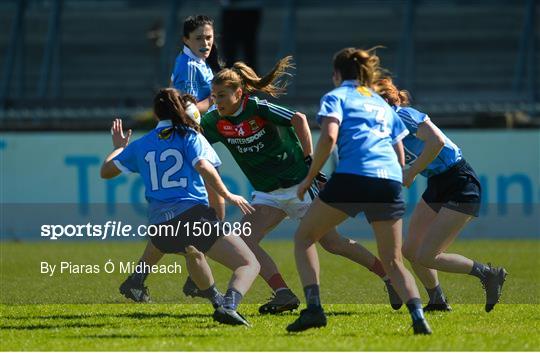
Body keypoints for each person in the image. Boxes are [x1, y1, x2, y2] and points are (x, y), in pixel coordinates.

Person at [198, 55, 402, 315]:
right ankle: (283, 293)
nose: (217, 101)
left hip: (299, 185)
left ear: (239, 93)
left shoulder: (259, 108)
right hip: (267, 193)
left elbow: (299, 119)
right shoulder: (215, 121)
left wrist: (308, 160)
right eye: (214, 96)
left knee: (332, 243)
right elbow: (196, 137)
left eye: (223, 95)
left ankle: (388, 277)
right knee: (243, 240)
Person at [286, 47, 432, 335]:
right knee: (393, 260)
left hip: (354, 175)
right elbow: (400, 155)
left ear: (337, 74)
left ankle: (314, 309)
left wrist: (309, 178)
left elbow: (329, 137)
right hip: (389, 179)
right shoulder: (379, 102)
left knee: (304, 237)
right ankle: (418, 317)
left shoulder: (336, 96)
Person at [100, 88, 260, 326]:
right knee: (249, 263)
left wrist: (120, 147)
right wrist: (227, 194)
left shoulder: (141, 144)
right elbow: (205, 169)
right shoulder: (190, 136)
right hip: (192, 217)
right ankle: (229, 306)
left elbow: (106, 171)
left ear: (156, 114)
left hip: (159, 230)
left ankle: (217, 303)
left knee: (192, 252)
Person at [373, 77, 507, 313]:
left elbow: (436, 141)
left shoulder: (403, 115)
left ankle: (489, 274)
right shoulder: (385, 128)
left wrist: (412, 173)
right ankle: (437, 300)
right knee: (411, 250)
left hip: (460, 182)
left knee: (427, 255)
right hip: (437, 183)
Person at [170, 15, 223, 114]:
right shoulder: (190, 66)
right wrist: (217, 95)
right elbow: (187, 111)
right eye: (198, 38)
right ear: (186, 40)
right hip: (196, 128)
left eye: (208, 37)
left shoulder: (196, 58)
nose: (205, 43)